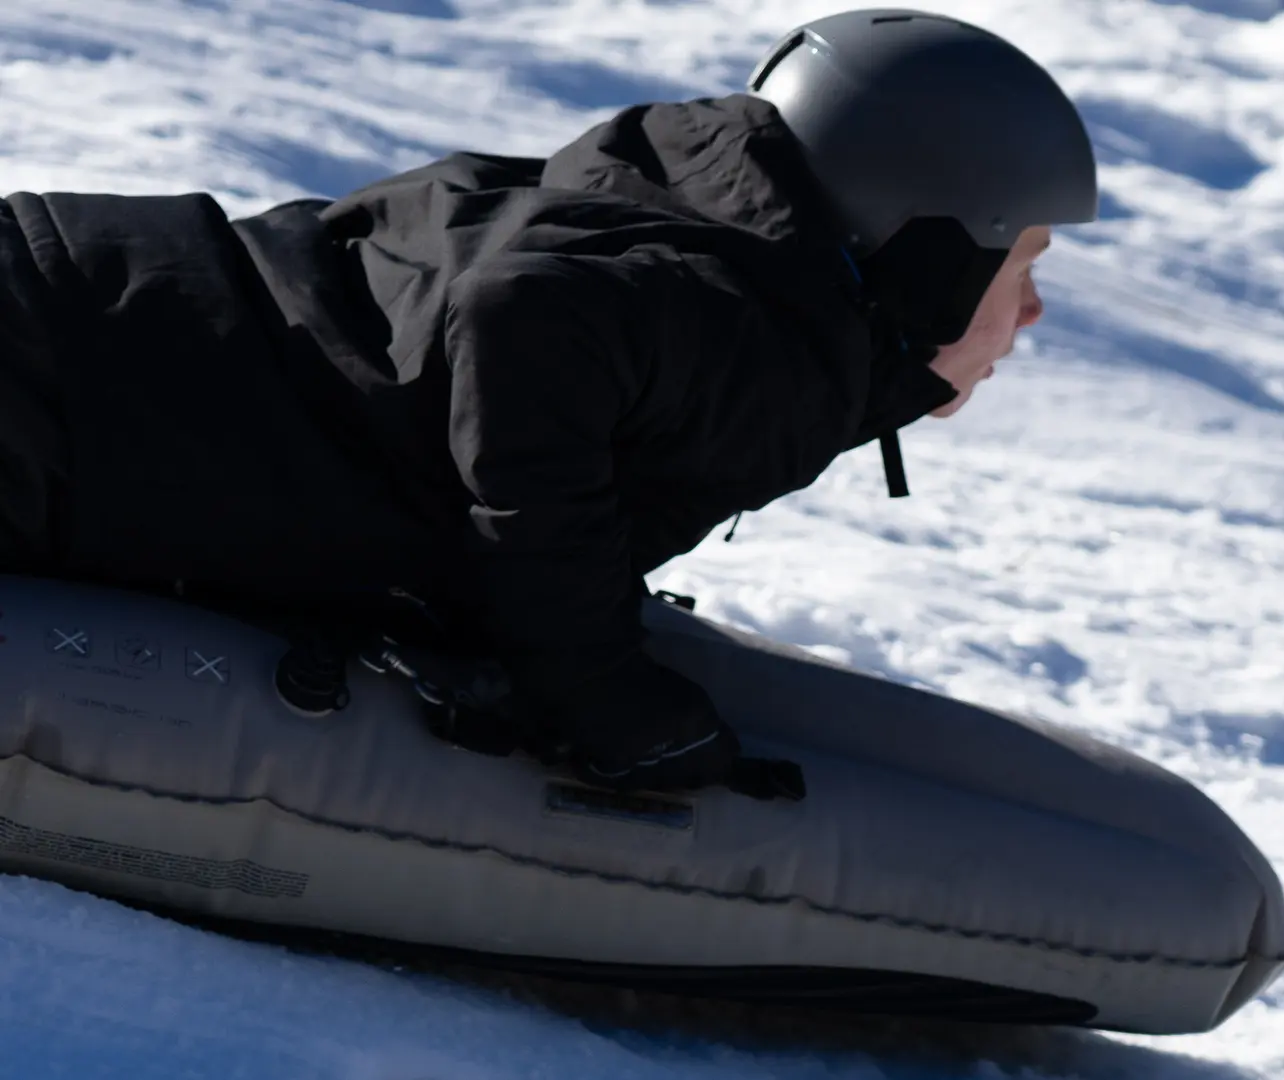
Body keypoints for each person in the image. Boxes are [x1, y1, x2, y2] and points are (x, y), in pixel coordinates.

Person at [0, 9, 1097, 796]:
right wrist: (589, 682)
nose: (1036, 313)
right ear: (933, 258)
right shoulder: (749, 330)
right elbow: (521, 313)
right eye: (1026, 265)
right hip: (55, 400)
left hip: (76, 326)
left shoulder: (686, 235)